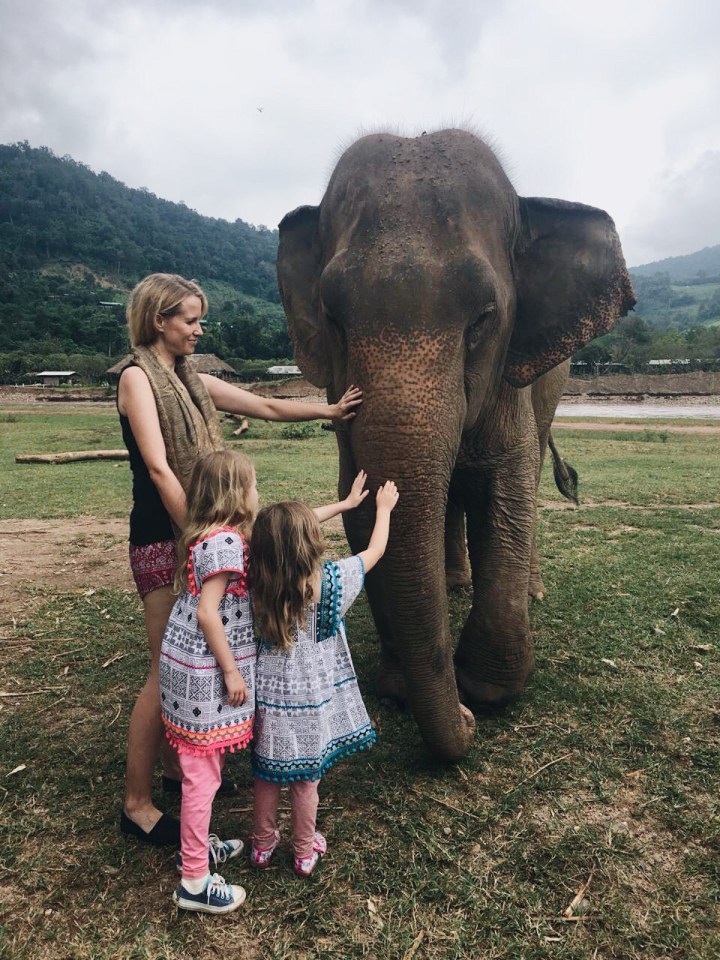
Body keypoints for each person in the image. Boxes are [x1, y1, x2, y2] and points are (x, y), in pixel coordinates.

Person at [117, 273, 362, 847]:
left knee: (189, 656)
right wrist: (201, 540)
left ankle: (179, 770)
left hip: (198, 537)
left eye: (200, 319)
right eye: (190, 320)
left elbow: (265, 406)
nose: (199, 329)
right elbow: (159, 468)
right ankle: (135, 803)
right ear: (159, 321)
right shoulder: (136, 380)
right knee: (164, 668)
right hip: (163, 538)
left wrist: (329, 412)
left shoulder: (192, 381)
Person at [249, 477, 399, 877]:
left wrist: (344, 504)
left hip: (267, 696)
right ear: (310, 544)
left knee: (266, 773)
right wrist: (381, 509)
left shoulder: (255, 583)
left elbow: (279, 534)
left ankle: (262, 847)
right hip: (312, 699)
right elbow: (376, 550)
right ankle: (303, 851)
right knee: (305, 781)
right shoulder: (331, 583)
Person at [162, 450, 257, 915]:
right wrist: (232, 671)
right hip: (205, 672)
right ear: (237, 495)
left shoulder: (212, 535)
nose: (258, 493)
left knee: (198, 772)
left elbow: (280, 531)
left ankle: (195, 848)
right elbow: (207, 612)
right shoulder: (226, 546)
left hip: (184, 666)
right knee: (203, 776)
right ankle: (195, 882)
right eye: (254, 485)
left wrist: (339, 508)